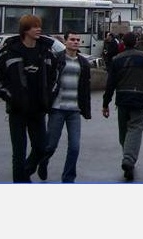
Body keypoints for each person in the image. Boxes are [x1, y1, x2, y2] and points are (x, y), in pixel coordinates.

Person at [0, 14, 61, 183]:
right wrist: (11, 97)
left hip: (38, 110)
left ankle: (27, 170)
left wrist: (49, 97)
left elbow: (55, 76)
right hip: (18, 110)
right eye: (34, 27)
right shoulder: (9, 51)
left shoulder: (46, 51)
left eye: (39, 26)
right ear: (25, 30)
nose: (39, 29)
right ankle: (20, 181)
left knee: (41, 147)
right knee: (19, 152)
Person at [102, 31, 143, 181]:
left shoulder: (116, 60)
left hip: (122, 99)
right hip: (139, 98)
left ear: (123, 44)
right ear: (136, 42)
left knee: (124, 132)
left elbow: (110, 84)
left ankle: (127, 158)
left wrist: (105, 103)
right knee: (135, 129)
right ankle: (128, 160)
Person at [38, 31, 92, 183]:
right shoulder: (57, 59)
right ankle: (43, 161)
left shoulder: (83, 62)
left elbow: (85, 87)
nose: (75, 42)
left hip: (74, 109)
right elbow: (48, 82)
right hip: (57, 108)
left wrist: (85, 109)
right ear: (66, 41)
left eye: (77, 40)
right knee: (51, 145)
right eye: (72, 39)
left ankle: (68, 178)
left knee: (74, 146)